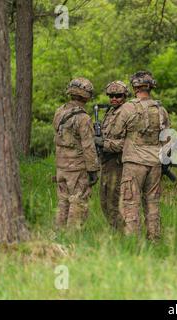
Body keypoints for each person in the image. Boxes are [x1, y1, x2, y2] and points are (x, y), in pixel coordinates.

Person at [119, 71, 170, 241]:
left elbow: (115, 132)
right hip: (155, 162)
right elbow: (167, 139)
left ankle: (133, 241)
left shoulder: (128, 107)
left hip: (134, 162)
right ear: (150, 87)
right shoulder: (161, 109)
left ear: (134, 87)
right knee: (152, 202)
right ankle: (154, 239)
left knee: (130, 201)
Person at [53, 77, 100, 229]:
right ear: (86, 96)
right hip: (77, 168)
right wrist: (93, 169)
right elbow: (88, 146)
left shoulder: (59, 112)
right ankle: (73, 238)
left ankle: (59, 234)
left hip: (61, 166)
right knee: (78, 201)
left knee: (63, 201)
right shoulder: (83, 118)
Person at [94, 81, 136, 229]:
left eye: (118, 96)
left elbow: (127, 143)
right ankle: (117, 232)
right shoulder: (110, 112)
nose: (114, 99)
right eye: (111, 96)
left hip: (118, 165)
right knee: (104, 202)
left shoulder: (127, 112)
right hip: (106, 163)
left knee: (114, 202)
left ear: (124, 96)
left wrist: (103, 143)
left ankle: (123, 235)